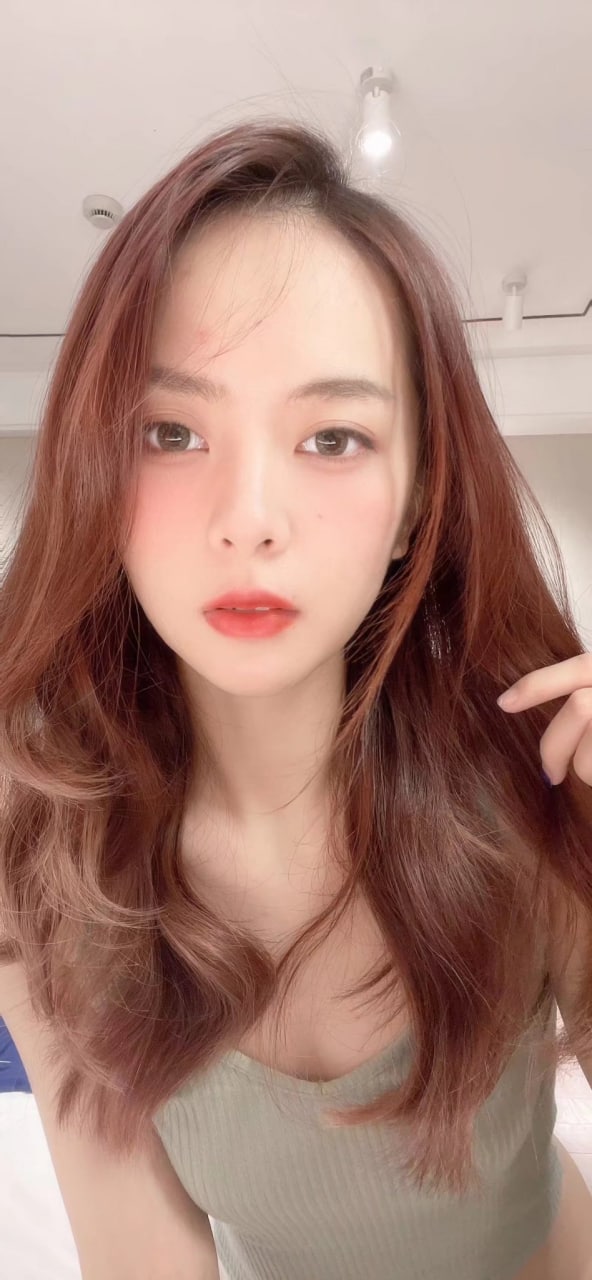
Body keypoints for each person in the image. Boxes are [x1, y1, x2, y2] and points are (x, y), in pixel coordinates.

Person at [1, 118, 591, 1280]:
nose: (250, 517)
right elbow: (144, 1261)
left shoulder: (533, 785)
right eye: (172, 431)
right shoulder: (46, 862)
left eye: (332, 436)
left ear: (417, 499)